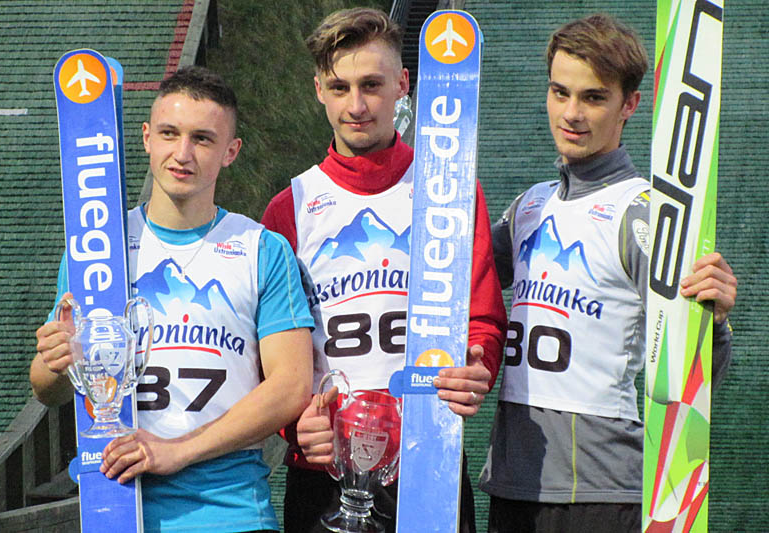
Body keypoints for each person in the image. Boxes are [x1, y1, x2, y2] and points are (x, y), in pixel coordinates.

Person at [479, 14, 738, 533]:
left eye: (593, 97)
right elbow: (460, 287)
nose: (571, 113)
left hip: (601, 493)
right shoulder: (529, 206)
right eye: (560, 92)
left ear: (629, 104)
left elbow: (695, 373)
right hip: (513, 484)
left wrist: (713, 319)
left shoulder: (645, 214)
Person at [30, 66, 314, 533]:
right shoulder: (97, 245)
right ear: (146, 137)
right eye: (169, 133)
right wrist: (56, 361)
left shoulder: (261, 248)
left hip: (230, 512)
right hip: (117, 506)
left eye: (202, 139)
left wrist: (178, 451)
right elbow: (48, 388)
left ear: (230, 151)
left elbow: (291, 386)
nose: (182, 154)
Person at [260, 7, 507, 533]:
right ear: (319, 90)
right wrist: (293, 426)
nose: (356, 105)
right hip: (325, 471)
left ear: (403, 84)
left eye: (371, 85)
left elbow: (483, 320)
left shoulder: (450, 190)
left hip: (428, 460)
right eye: (339, 87)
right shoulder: (288, 208)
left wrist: (476, 364)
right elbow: (268, 357)